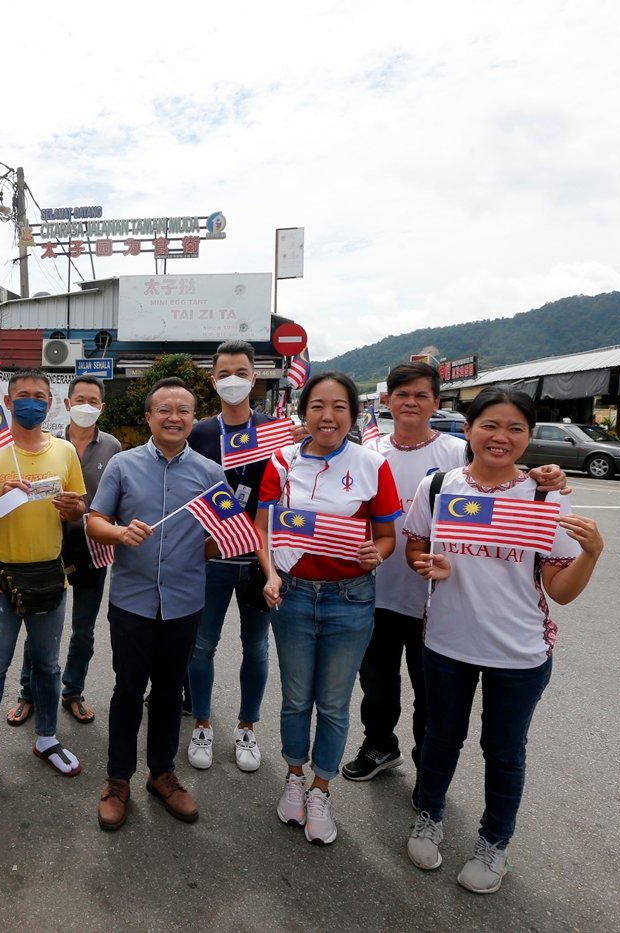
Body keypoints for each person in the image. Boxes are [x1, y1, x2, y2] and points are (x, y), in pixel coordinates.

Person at [402, 386, 602, 893]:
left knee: (504, 751)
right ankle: (429, 816)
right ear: (466, 430)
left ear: (529, 437)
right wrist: (426, 564)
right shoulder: (440, 485)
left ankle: (494, 844)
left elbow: (560, 590)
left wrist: (591, 555)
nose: (501, 437)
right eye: (489, 424)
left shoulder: (543, 496)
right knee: (440, 738)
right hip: (446, 644)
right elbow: (418, 546)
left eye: (516, 428)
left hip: (520, 653)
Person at [342, 364, 567, 791]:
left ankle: (428, 768)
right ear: (386, 400)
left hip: (438, 599)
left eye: (421, 395)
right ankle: (378, 745)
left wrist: (545, 475)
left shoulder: (453, 451)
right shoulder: (371, 450)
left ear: (435, 402)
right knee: (376, 682)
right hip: (376, 589)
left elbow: (500, 475)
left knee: (431, 695)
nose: (411, 402)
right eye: (402, 394)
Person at [256, 371, 402, 845]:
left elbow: (386, 536)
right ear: (304, 412)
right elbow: (263, 530)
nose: (328, 415)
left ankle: (322, 788)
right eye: (318, 405)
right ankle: (295, 777)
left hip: (351, 599)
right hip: (293, 593)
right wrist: (271, 573)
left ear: (353, 415)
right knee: (297, 698)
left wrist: (376, 554)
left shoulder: (371, 465)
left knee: (335, 704)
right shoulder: (281, 462)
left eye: (340, 406)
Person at [88, 377, 226, 830]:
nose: (173, 417)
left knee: (168, 693)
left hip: (185, 603)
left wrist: (208, 548)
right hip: (132, 601)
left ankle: (162, 774)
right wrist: (119, 533)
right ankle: (118, 779)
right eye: (164, 409)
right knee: (128, 691)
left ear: (193, 418)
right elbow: (94, 522)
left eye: (183, 410)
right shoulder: (123, 466)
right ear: (148, 417)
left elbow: (219, 537)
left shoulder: (209, 473)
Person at [0, 370, 87, 790]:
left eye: (40, 397)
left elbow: (79, 506)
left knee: (47, 665)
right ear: (8, 403)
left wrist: (72, 510)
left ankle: (46, 738)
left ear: (51, 404)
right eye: (22, 396)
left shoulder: (64, 451)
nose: (31, 402)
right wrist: (1, 498)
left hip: (49, 577)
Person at [184, 340, 279, 772]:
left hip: (259, 559)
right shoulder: (201, 432)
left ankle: (247, 728)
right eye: (224, 374)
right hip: (213, 557)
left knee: (256, 648)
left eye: (241, 372)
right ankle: (201, 723)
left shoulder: (275, 431)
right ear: (213, 380)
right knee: (201, 646)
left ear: (254, 377)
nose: (233, 381)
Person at [7, 375, 121, 727]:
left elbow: (117, 500)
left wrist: (88, 511)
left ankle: (72, 691)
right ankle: (28, 693)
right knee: (41, 628)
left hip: (91, 549)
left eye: (93, 401)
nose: (86, 406)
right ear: (67, 405)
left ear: (101, 407)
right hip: (51, 549)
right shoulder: (48, 444)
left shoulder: (113, 448)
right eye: (80, 400)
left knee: (83, 629)